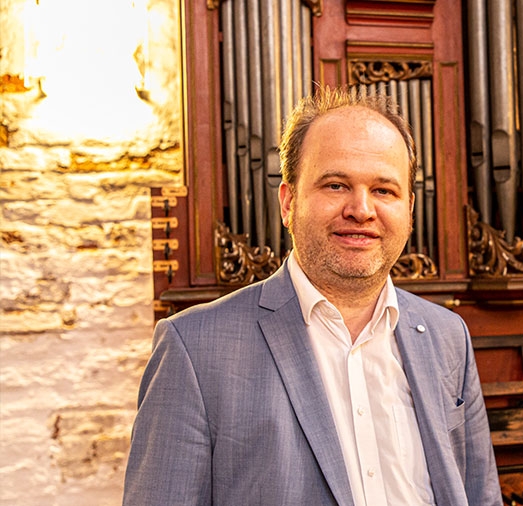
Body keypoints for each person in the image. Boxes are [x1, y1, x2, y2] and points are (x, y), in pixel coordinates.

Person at [123, 86, 502, 506]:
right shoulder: (194, 349)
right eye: (336, 185)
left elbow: (480, 494)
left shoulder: (448, 335)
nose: (362, 209)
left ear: (409, 208)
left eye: (384, 190)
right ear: (288, 203)